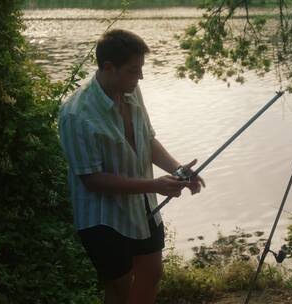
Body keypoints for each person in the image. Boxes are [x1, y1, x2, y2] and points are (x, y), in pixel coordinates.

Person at [58, 29, 206, 304]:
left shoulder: (131, 90)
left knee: (151, 272)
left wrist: (177, 170)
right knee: (120, 287)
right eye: (133, 70)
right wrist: (154, 185)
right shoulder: (75, 115)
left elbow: (146, 139)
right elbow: (92, 180)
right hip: (102, 217)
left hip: (141, 206)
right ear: (108, 68)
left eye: (140, 69)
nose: (140, 77)